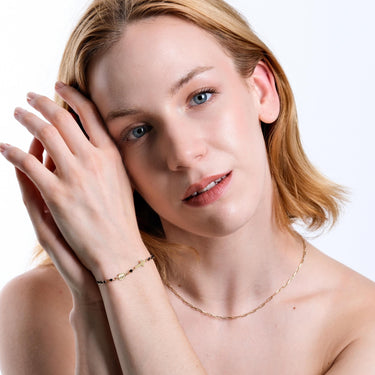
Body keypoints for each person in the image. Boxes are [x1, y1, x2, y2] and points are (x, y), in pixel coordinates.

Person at [0, 0, 374, 373]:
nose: (183, 152)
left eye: (200, 96)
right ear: (106, 161)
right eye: (138, 130)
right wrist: (94, 304)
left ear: (261, 91)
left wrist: (124, 267)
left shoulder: (360, 327)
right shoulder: (41, 306)